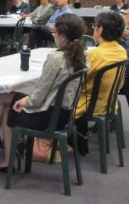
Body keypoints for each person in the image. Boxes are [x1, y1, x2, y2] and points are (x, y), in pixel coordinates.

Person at [0, 14, 87, 172]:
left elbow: (38, 96)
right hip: (66, 113)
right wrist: (27, 99)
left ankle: (8, 160)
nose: (53, 36)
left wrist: (25, 101)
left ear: (62, 36)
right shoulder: (81, 56)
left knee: (10, 109)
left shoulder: (56, 58)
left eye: (54, 33)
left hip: (49, 116)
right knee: (4, 96)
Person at [32, 11, 127, 159]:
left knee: (49, 96)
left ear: (100, 29)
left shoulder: (95, 55)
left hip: (87, 104)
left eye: (95, 26)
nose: (93, 28)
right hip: (108, 102)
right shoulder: (121, 51)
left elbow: (71, 80)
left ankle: (44, 144)